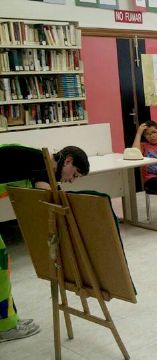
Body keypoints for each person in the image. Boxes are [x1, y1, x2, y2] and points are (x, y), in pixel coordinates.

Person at [0, 145, 90, 342]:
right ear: (68, 161)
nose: (71, 180)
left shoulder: (39, 160)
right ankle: (5, 327)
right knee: (0, 266)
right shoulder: (44, 163)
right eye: (74, 174)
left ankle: (7, 321)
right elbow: (48, 200)